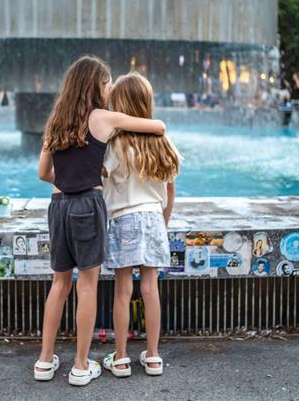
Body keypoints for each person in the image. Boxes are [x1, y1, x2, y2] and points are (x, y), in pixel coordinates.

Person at [34, 56, 166, 387]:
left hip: (58, 205)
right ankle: (81, 365)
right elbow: (157, 127)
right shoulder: (104, 118)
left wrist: (66, 176)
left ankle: (44, 361)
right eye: (106, 83)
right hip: (87, 205)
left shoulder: (55, 122)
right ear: (95, 84)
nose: (109, 89)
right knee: (87, 285)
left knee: (59, 284)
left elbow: (43, 174)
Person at [100, 72, 181, 379]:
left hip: (123, 219)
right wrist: (163, 222)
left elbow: (102, 182)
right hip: (154, 219)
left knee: (123, 290)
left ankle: (120, 358)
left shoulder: (115, 145)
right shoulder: (162, 141)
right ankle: (154, 356)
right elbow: (170, 191)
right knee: (150, 288)